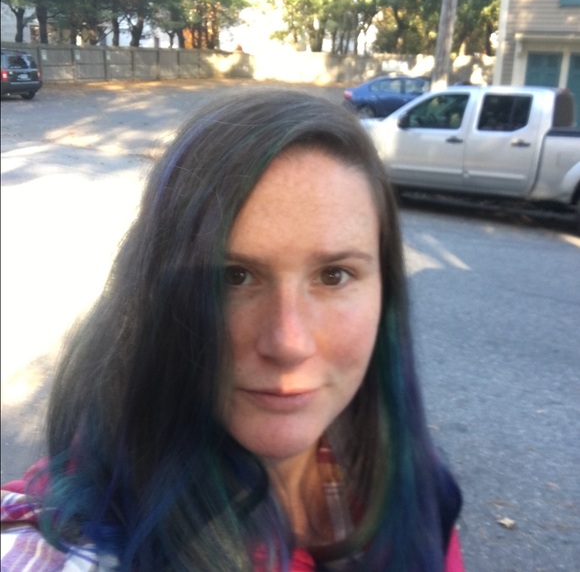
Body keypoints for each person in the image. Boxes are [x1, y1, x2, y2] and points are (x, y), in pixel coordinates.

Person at [1, 89, 463, 571]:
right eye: (234, 276)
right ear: (153, 295)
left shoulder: (418, 491)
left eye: (333, 275)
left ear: (385, 291)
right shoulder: (62, 544)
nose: (288, 343)